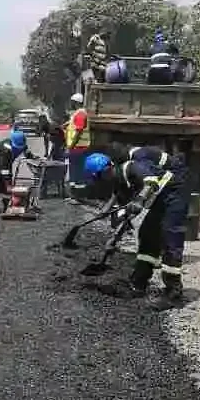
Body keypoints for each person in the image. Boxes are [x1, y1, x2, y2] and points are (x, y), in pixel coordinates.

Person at [83, 148, 188, 302]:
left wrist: (139, 200)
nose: (100, 184)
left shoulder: (131, 167)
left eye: (98, 179)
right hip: (162, 197)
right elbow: (128, 216)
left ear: (103, 172)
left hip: (175, 193)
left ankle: (173, 292)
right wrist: (114, 238)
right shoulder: (121, 182)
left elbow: (150, 181)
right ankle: (138, 283)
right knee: (147, 234)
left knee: (170, 238)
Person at [0, 129, 29, 210]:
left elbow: (26, 152)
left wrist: (32, 157)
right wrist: (8, 185)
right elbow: (5, 169)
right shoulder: (6, 149)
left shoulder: (23, 144)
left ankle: (6, 201)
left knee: (8, 177)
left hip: (7, 158)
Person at [63, 92, 91, 193]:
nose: (71, 104)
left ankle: (78, 194)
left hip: (78, 147)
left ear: (76, 103)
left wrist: (70, 147)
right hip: (77, 147)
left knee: (76, 172)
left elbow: (78, 132)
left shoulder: (80, 114)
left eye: (72, 102)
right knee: (75, 171)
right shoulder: (78, 113)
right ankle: (75, 193)